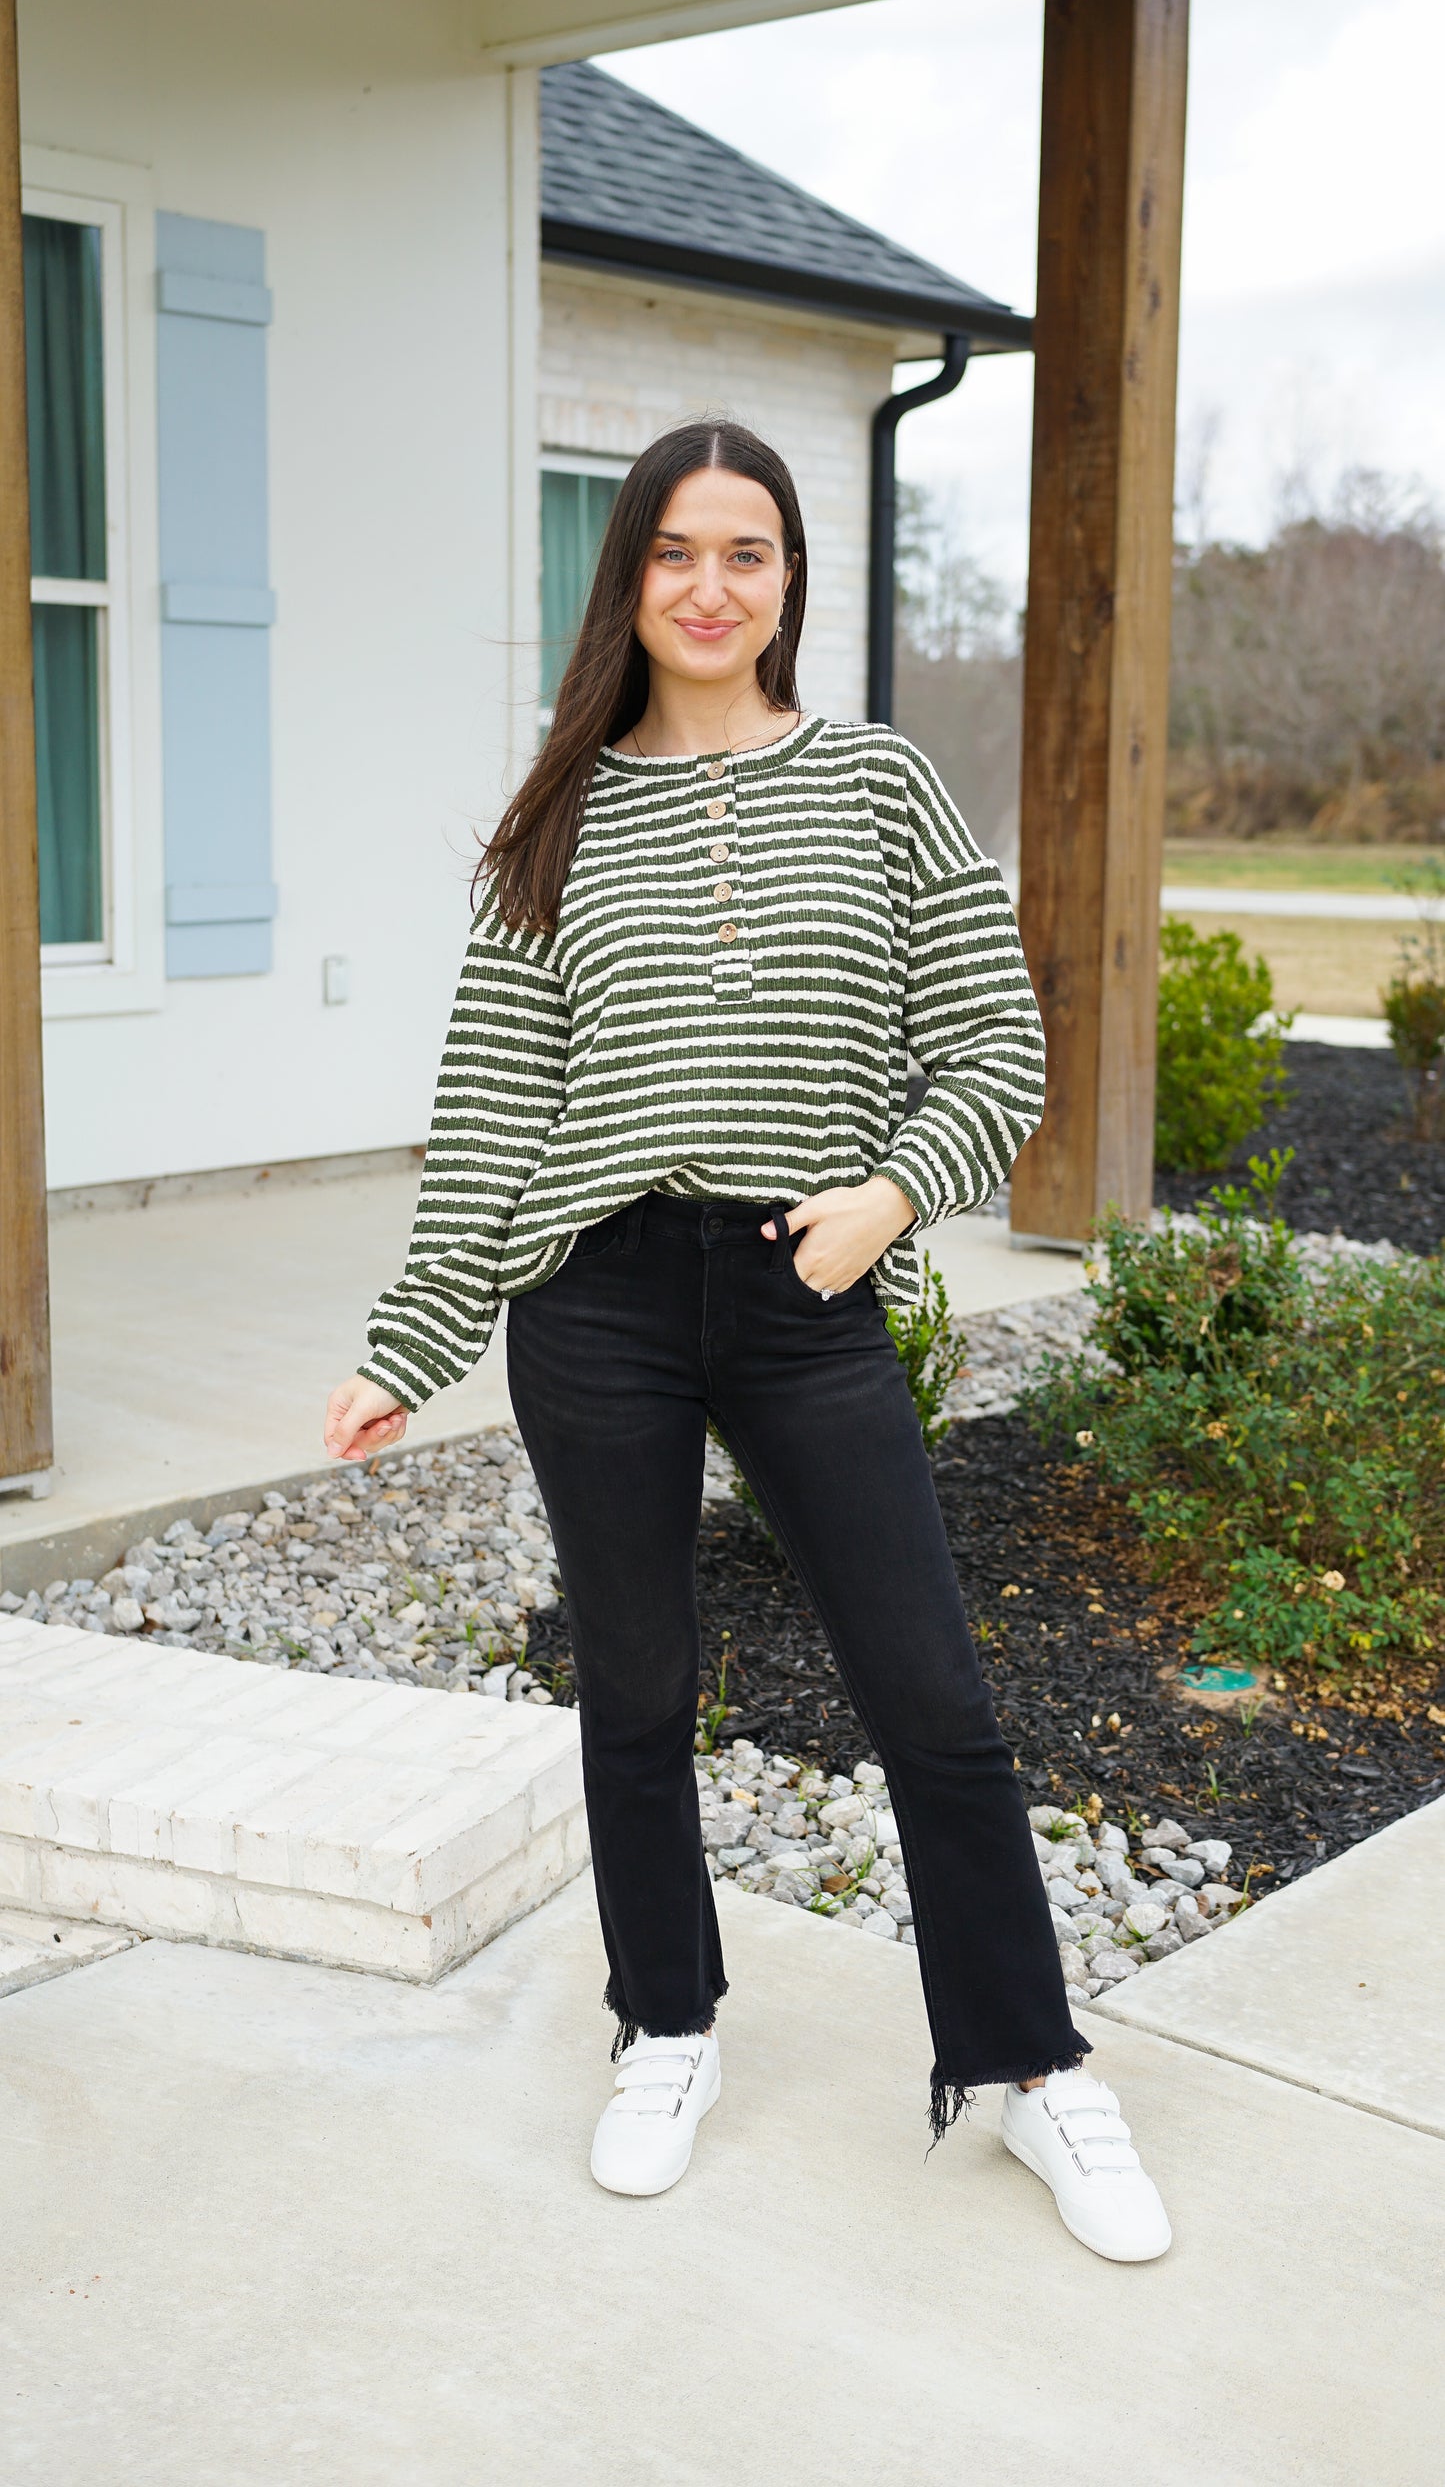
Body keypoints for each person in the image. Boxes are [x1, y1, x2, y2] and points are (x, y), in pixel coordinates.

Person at [323, 419, 1170, 2263]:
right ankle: (667, 2023)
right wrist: (416, 1335)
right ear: (629, 578)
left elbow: (993, 1050)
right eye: (675, 553)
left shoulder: (877, 786)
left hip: (807, 1295)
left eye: (751, 554)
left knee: (931, 1701)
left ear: (789, 583)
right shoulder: (553, 822)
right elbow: (490, 1112)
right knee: (632, 1694)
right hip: (597, 1302)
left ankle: (1033, 2072)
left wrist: (889, 1197)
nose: (711, 588)